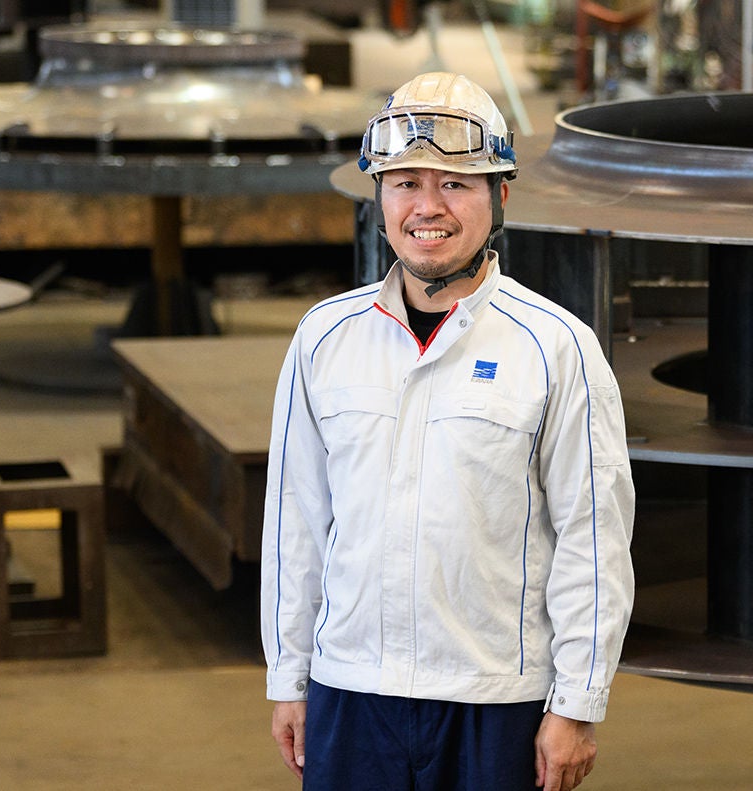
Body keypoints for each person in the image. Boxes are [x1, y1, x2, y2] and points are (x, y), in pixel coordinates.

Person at [260, 71, 635, 791]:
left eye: (455, 184)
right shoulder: (324, 338)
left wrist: (577, 703)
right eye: (405, 183)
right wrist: (289, 676)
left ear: (500, 198)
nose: (427, 207)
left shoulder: (555, 347)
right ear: (380, 196)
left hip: (496, 698)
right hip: (351, 690)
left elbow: (594, 538)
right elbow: (295, 522)